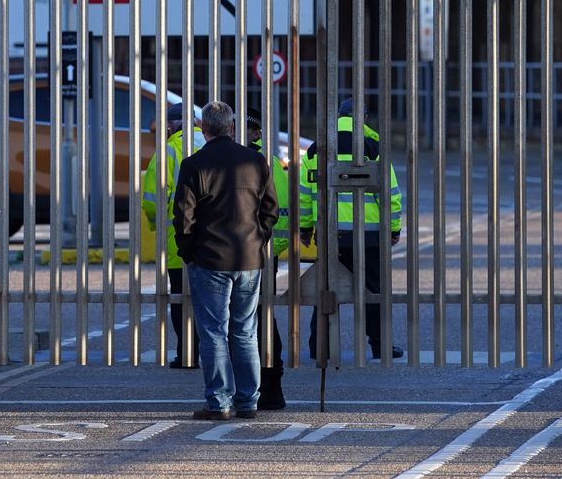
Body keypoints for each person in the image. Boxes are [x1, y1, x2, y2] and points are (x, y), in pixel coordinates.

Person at [173, 101, 279, 420]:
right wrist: (258, 238)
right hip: (248, 256)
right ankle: (248, 401)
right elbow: (270, 210)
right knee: (245, 330)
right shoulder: (256, 161)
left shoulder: (194, 164)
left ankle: (219, 401)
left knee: (214, 331)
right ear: (232, 127)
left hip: (209, 258)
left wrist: (188, 251)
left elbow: (183, 216)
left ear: (204, 130)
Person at [299, 98, 404, 360]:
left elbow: (305, 193)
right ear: (364, 118)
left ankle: (318, 345)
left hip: (330, 232)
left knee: (327, 289)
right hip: (367, 234)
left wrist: (305, 227)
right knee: (373, 292)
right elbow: (389, 193)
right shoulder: (372, 147)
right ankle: (380, 346)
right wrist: (393, 227)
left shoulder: (317, 149)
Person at [142, 102, 204, 368]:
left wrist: (157, 224)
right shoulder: (211, 143)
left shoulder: (167, 151)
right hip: (216, 239)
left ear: (171, 125)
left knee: (181, 297)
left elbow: (152, 200)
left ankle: (187, 354)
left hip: (178, 237)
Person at [244, 112, 288, 410]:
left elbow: (280, 212)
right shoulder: (268, 163)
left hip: (259, 253)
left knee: (255, 322)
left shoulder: (266, 162)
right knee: (257, 321)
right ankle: (260, 389)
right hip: (259, 250)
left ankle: (266, 387)